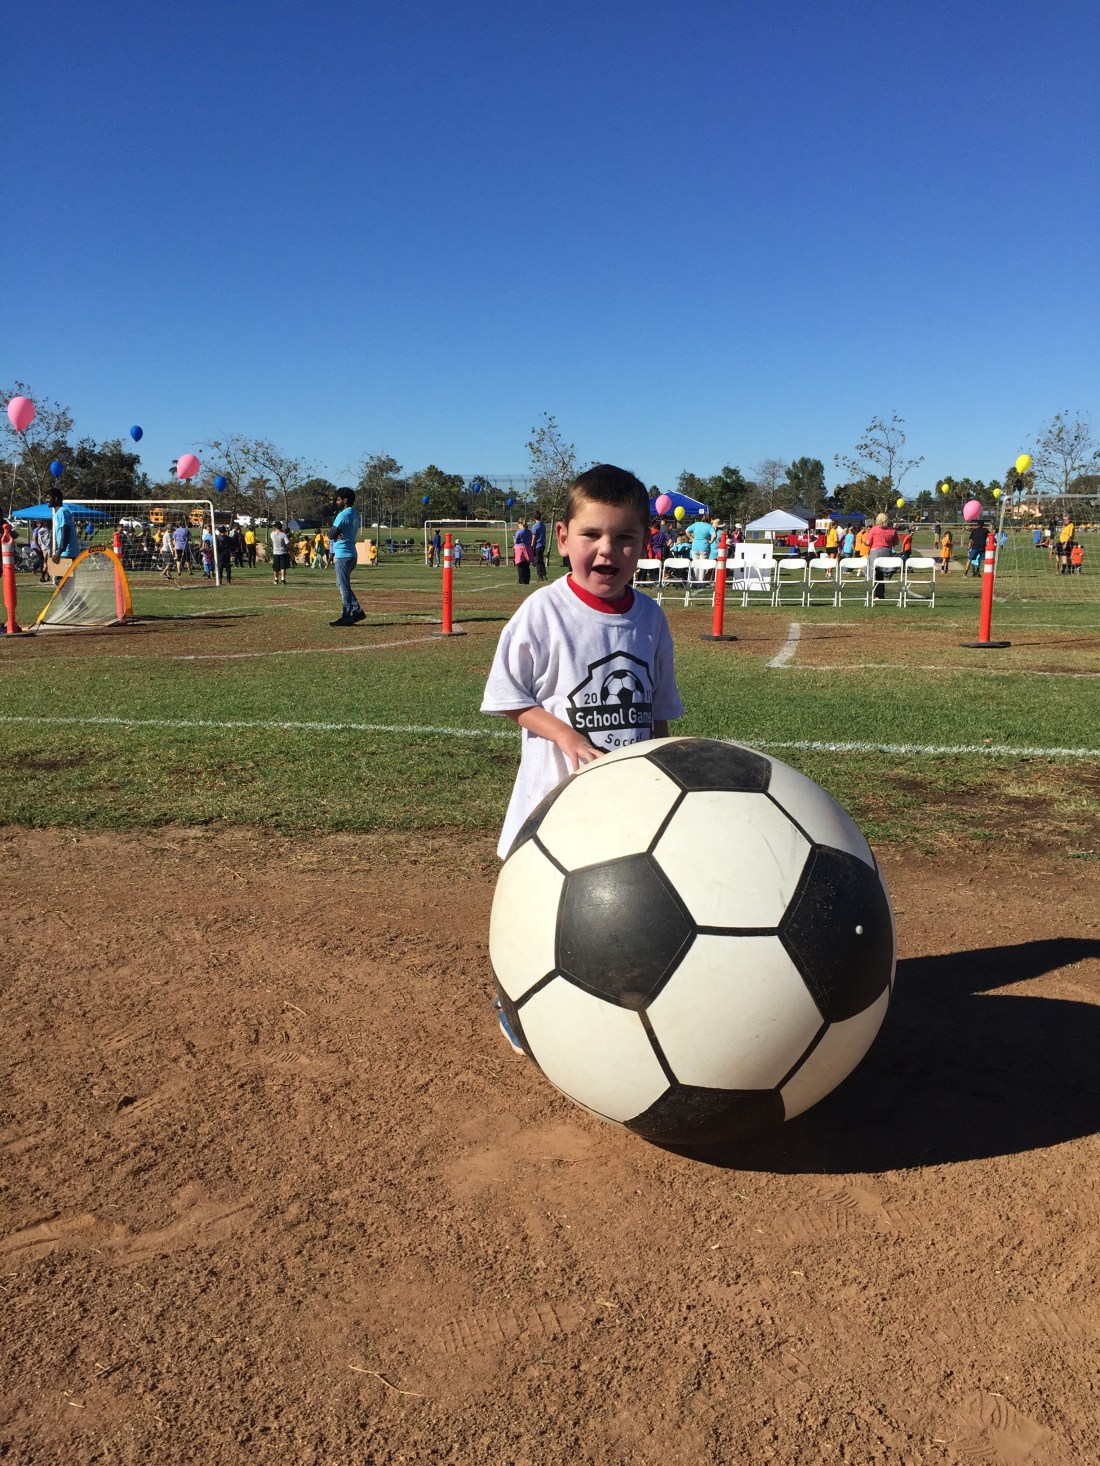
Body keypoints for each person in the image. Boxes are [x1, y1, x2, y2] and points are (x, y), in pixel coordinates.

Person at [481, 464, 684, 1048]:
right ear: (563, 537)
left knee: (621, 909)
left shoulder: (650, 617)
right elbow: (508, 696)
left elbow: (658, 708)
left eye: (624, 537)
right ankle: (517, 1002)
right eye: (592, 534)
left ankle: (612, 1008)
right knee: (535, 910)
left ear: (644, 542)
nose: (607, 550)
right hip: (553, 801)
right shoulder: (543, 612)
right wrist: (566, 736)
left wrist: (663, 774)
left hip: (626, 804)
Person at [328, 488, 364, 625]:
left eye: (338, 499)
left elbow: (331, 534)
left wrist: (332, 533)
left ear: (345, 500)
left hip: (343, 554)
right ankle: (357, 611)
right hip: (351, 553)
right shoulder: (354, 513)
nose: (336, 502)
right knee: (342, 584)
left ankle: (347, 616)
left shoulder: (342, 515)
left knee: (343, 586)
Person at [864, 512, 899, 600]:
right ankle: (880, 593)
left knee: (874, 571)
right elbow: (896, 542)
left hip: (876, 554)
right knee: (880, 575)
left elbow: (868, 542)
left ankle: (878, 593)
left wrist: (865, 543)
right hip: (887, 553)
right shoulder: (892, 530)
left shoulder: (874, 529)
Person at [46, 487, 79, 574]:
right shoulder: (61, 512)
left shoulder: (62, 512)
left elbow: (66, 530)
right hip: (67, 552)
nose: (46, 500)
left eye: (48, 498)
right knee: (65, 580)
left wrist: (59, 551)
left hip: (67, 553)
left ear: (55, 498)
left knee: (61, 579)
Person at [513, 517, 533, 586]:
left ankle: (521, 581)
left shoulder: (519, 531)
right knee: (526, 565)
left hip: (520, 549)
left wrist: (514, 540)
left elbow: (516, 540)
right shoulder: (529, 531)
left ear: (520, 524)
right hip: (528, 548)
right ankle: (527, 580)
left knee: (520, 565)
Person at [530, 512, 548, 580]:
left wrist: (532, 545)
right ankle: (544, 574)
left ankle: (540, 575)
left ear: (534, 518)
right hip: (543, 544)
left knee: (537, 560)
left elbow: (534, 537)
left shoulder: (535, 526)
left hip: (537, 545)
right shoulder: (543, 525)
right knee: (541, 560)